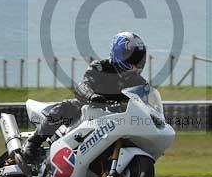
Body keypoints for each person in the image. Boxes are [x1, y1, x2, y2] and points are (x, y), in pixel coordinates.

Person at [20, 31, 147, 166]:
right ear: (117, 53)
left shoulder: (140, 83)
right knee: (66, 108)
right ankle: (33, 143)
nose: (134, 62)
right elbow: (83, 86)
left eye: (138, 58)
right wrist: (92, 96)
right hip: (89, 110)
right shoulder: (100, 67)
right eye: (130, 57)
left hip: (115, 119)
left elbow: (145, 105)